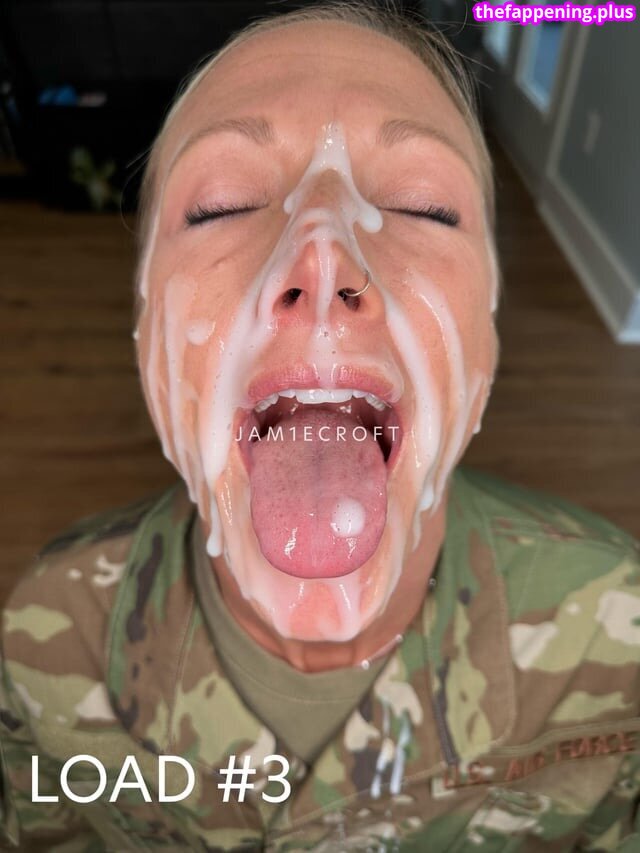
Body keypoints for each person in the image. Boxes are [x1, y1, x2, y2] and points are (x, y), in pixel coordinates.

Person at [1, 3, 639, 851]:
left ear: (490, 330)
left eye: (423, 207)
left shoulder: (620, 638)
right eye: (221, 205)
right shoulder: (48, 636)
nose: (324, 254)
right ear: (142, 319)